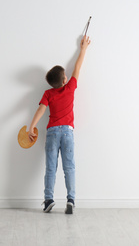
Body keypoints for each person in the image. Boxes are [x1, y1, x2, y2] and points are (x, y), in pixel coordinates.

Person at [28, 35, 91, 214]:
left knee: (50, 167)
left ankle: (48, 200)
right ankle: (71, 199)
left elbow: (40, 110)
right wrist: (83, 49)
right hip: (68, 133)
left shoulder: (48, 93)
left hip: (52, 133)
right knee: (69, 167)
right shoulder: (70, 88)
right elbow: (77, 67)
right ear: (64, 80)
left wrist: (31, 127)